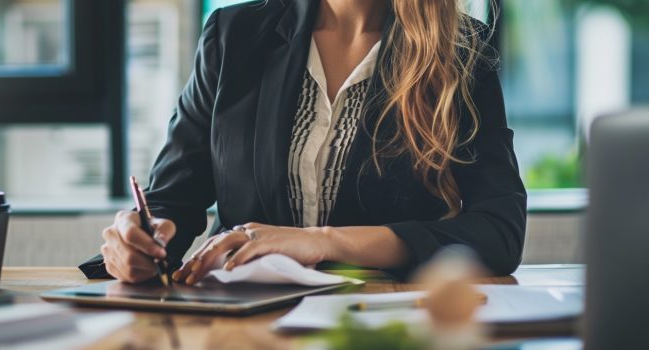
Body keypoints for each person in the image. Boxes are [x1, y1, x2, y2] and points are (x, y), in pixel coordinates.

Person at [94, 0, 526, 285]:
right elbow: (173, 198)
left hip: (381, 323)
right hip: (239, 323)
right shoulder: (234, 35)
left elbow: (499, 233)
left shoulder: (461, 51)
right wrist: (147, 238)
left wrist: (325, 240)